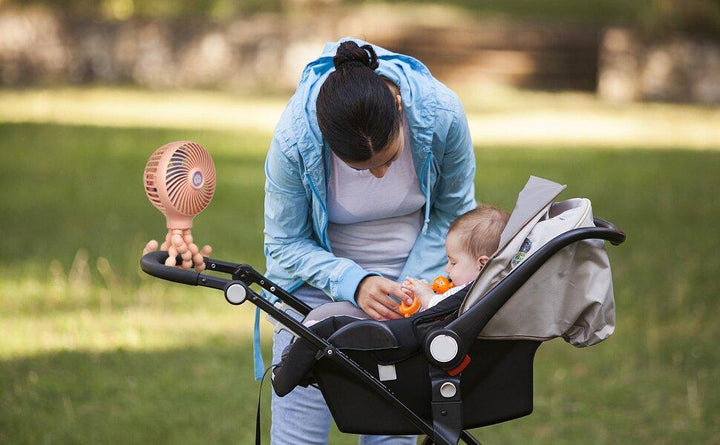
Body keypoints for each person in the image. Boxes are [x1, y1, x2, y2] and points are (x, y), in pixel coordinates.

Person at [263, 38, 476, 444]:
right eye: (361, 168)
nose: (379, 175)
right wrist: (354, 283)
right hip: (314, 294)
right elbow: (285, 243)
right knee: (298, 437)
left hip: (412, 294)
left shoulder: (441, 113)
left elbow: (456, 214)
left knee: (391, 433)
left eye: (390, 159)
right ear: (326, 139)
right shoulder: (295, 137)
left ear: (398, 109)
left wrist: (411, 292)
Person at [402, 204, 510, 311]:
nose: (446, 269)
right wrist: (421, 298)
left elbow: (438, 309)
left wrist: (424, 293)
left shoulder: (466, 293)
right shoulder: (499, 286)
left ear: (482, 265)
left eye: (453, 263)